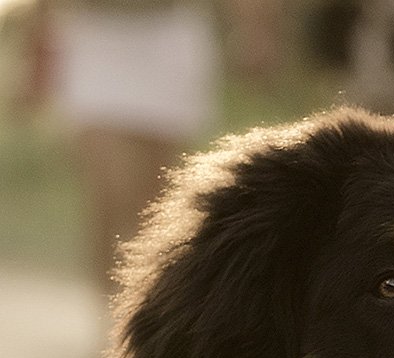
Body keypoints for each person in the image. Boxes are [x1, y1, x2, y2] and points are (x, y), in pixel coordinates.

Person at [24, 0, 281, 296]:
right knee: (109, 190)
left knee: (154, 201)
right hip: (94, 37)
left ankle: (149, 301)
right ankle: (108, 315)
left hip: (167, 35)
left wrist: (256, 29)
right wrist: (34, 50)